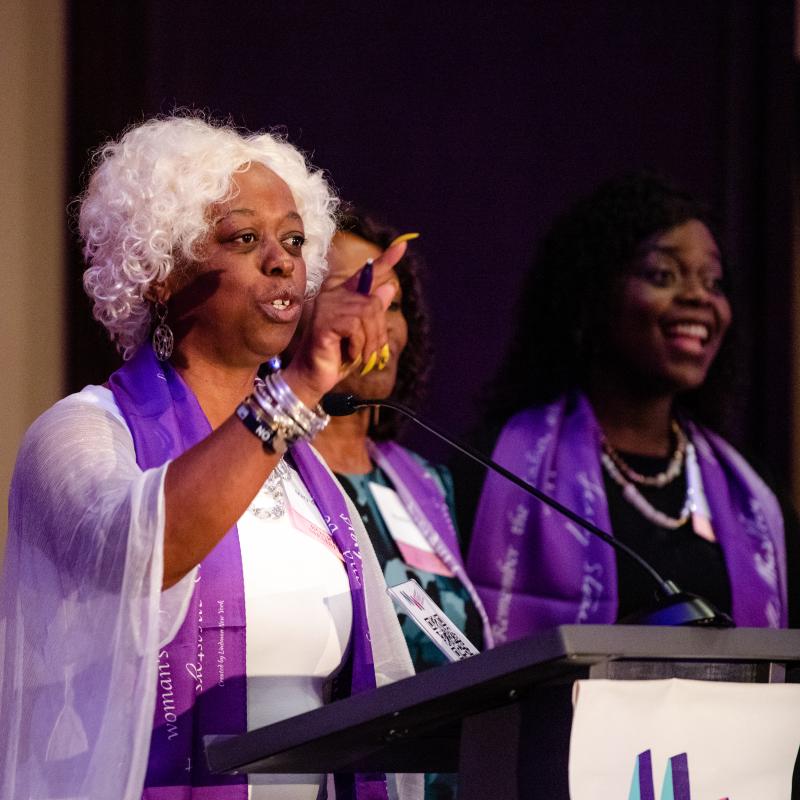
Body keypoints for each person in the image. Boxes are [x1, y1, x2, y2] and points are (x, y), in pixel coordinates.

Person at [1, 115, 422, 800]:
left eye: (293, 240)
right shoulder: (80, 434)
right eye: (246, 239)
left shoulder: (307, 477)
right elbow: (142, 555)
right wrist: (298, 389)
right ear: (160, 271)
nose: (283, 261)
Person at [465, 172, 798, 644]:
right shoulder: (498, 472)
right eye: (663, 275)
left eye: (714, 282)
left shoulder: (756, 496)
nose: (700, 297)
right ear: (591, 296)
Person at [311, 210, 491, 800]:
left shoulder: (425, 482)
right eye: (360, 295)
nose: (381, 324)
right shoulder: (268, 470)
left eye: (393, 305)